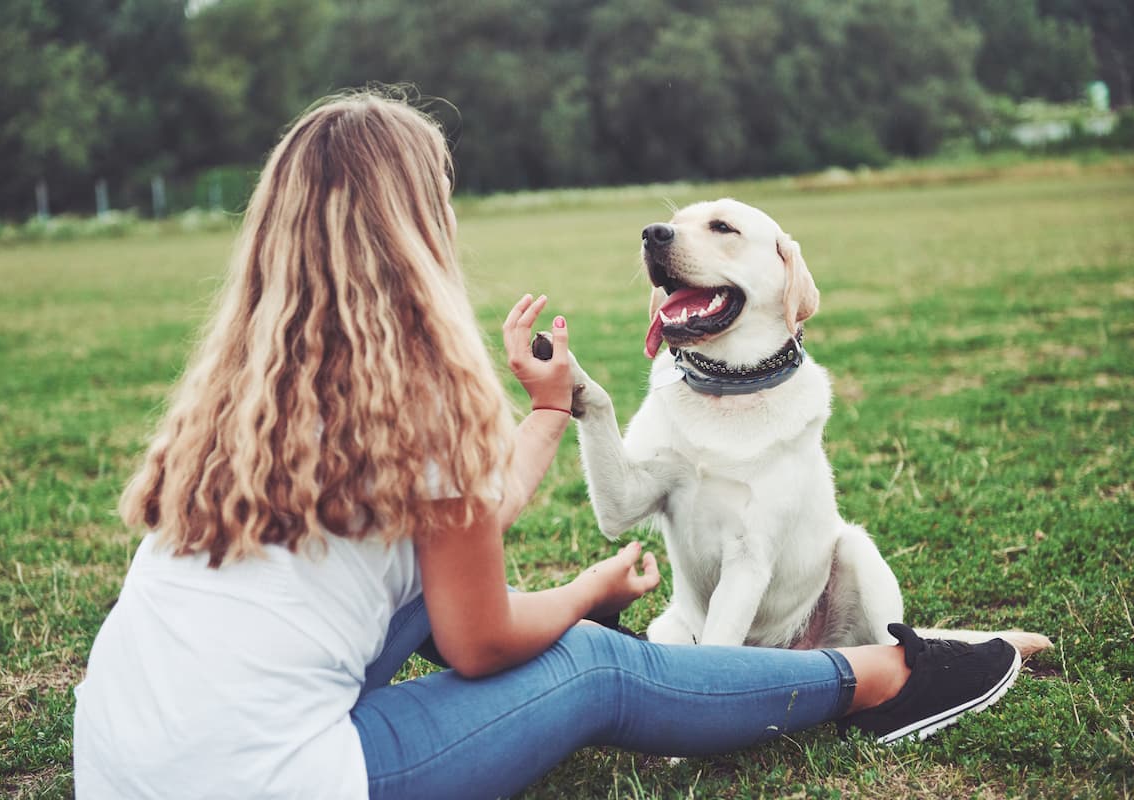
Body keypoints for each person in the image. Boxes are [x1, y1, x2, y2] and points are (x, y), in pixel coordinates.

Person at [72, 91, 1025, 800]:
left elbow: (464, 520)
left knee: (440, 606)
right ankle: (884, 675)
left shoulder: (246, 395)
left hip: (118, 762)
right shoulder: (405, 399)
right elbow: (478, 641)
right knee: (591, 665)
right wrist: (586, 597)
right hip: (271, 778)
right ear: (413, 229)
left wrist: (546, 412)